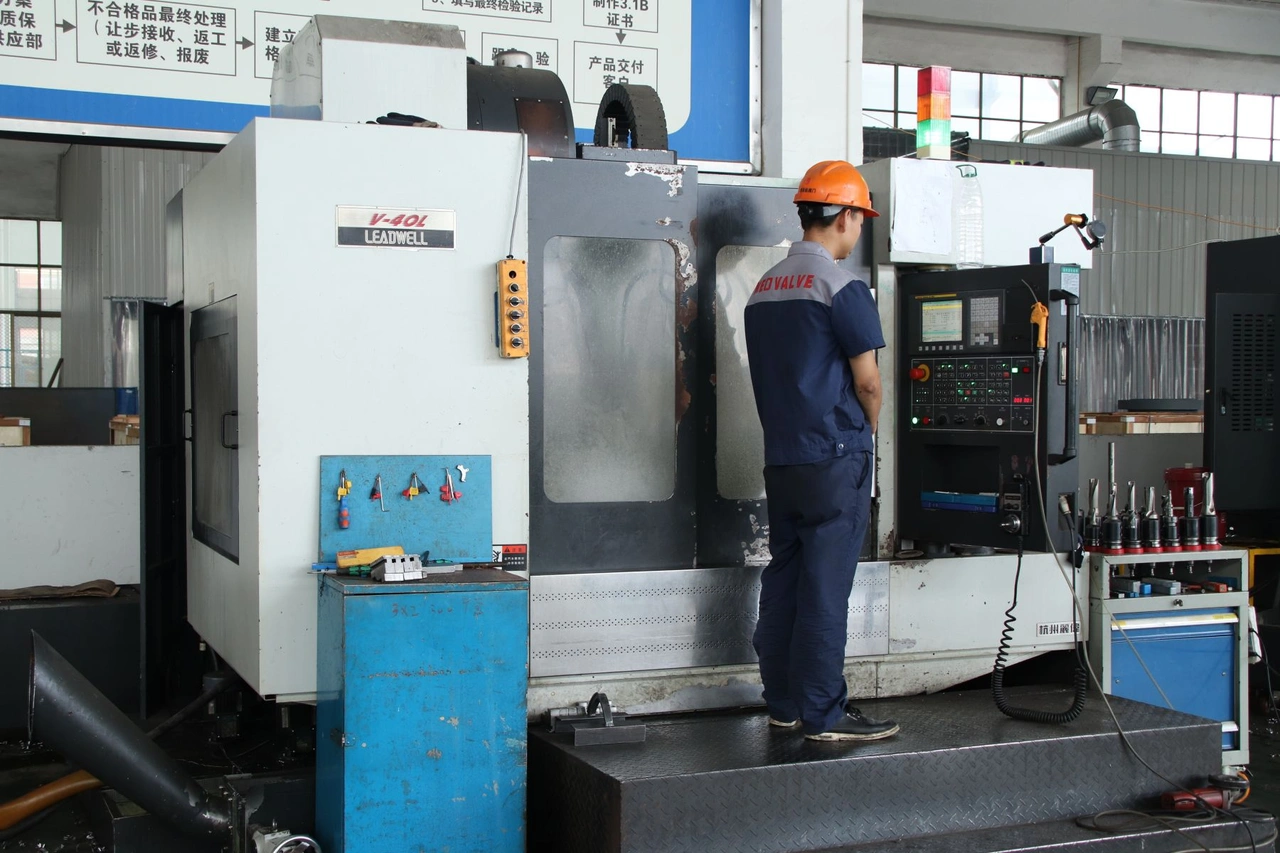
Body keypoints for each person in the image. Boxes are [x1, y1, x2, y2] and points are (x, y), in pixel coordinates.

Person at [743, 160, 899, 742]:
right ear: (846, 216)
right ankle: (824, 714)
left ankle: (783, 704)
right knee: (826, 588)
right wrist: (869, 433)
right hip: (836, 458)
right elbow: (869, 383)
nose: (858, 230)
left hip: (783, 460)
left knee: (784, 579)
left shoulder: (764, 288)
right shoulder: (841, 286)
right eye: (859, 218)